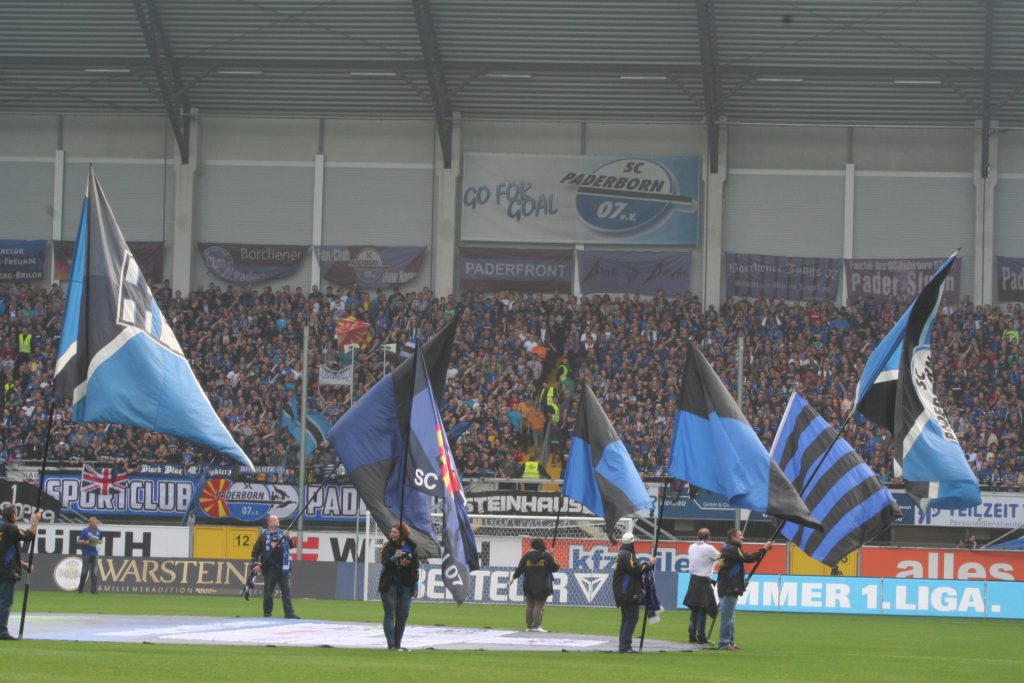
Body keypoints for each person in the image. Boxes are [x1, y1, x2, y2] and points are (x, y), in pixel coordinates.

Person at [716, 528, 773, 651]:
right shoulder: (732, 549)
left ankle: (730, 642)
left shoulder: (729, 548)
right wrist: (764, 549)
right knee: (727, 618)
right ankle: (724, 643)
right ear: (732, 537)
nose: (742, 537)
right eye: (740, 535)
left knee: (730, 617)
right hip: (728, 587)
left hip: (727, 586)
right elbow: (749, 558)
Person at [0, 504, 41, 640]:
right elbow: (29, 536)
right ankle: (2, 632)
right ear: (13, 515)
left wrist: (22, 564)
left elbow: (4, 550)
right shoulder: (10, 528)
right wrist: (35, 521)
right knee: (5, 601)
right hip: (7, 571)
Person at [612, 532, 654, 654]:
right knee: (631, 618)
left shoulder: (622, 553)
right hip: (627, 591)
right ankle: (625, 646)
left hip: (623, 590)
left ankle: (623, 645)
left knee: (627, 619)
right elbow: (636, 570)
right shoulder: (627, 554)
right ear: (632, 542)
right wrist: (649, 564)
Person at [378, 522, 418, 651]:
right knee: (390, 614)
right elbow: (385, 563)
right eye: (391, 532)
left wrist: (415, 587)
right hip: (389, 585)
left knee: (403, 615)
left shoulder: (412, 548)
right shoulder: (387, 547)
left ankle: (397, 644)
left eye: (395, 532)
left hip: (406, 586)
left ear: (403, 534)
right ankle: (391, 645)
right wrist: (395, 557)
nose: (391, 534)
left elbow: (415, 569)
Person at [251, 515, 299, 619]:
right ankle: (267, 613)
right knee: (268, 592)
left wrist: (288, 538)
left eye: (277, 519)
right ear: (269, 523)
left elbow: (293, 545)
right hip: (269, 568)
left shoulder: (283, 533)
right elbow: (255, 551)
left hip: (283, 567)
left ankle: (289, 613)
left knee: (286, 591)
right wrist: (255, 564)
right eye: (274, 519)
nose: (277, 520)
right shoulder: (263, 536)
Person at [512, 537, 560, 632]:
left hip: (529, 584)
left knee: (530, 605)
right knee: (539, 605)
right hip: (543, 585)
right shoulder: (547, 555)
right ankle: (536, 626)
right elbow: (555, 568)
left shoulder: (527, 555)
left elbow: (520, 568)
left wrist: (512, 579)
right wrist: (552, 556)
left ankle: (529, 626)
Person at [684, 527, 719, 645]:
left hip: (693, 580)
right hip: (704, 581)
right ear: (708, 537)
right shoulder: (709, 548)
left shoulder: (691, 547)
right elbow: (720, 556)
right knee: (703, 609)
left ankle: (692, 635)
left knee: (694, 609)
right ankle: (701, 636)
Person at [76, 516, 101, 594]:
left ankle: (93, 590)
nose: (95, 523)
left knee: (95, 572)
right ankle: (80, 588)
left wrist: (99, 542)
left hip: (95, 553)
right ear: (90, 523)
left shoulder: (98, 531)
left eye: (96, 522)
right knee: (84, 571)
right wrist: (86, 542)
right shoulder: (85, 531)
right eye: (94, 522)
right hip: (86, 553)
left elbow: (100, 540)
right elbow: (79, 541)